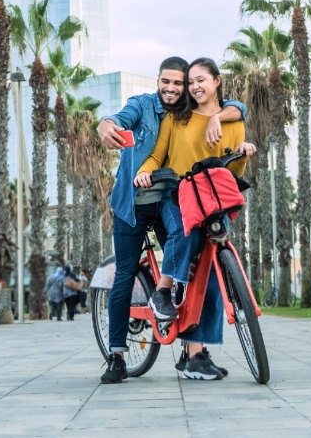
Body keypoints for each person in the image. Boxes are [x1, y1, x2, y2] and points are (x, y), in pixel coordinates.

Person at [96, 56, 247, 384]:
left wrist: (222, 115)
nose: (173, 88)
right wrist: (106, 124)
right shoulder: (144, 105)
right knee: (124, 274)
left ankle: (193, 353)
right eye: (168, 81)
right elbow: (121, 118)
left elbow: (235, 106)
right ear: (158, 81)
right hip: (133, 204)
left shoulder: (192, 112)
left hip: (171, 199)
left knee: (193, 269)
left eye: (180, 83)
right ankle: (117, 355)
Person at [135, 57, 256, 380]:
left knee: (214, 275)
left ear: (217, 80)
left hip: (213, 198)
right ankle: (162, 291)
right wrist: (146, 172)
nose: (194, 87)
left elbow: (232, 171)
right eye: (190, 82)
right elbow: (157, 154)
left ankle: (196, 354)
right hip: (178, 193)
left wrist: (243, 153)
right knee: (186, 236)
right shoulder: (178, 118)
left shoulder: (232, 119)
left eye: (201, 79)